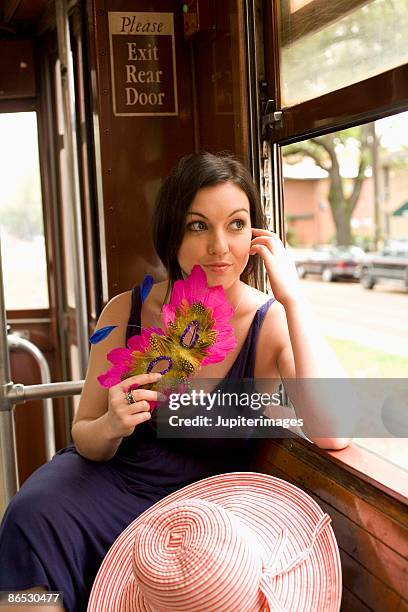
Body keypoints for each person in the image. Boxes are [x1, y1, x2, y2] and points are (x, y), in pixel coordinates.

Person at [0, 152, 350, 612]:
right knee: (30, 521)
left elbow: (334, 430)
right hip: (101, 484)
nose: (219, 247)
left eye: (237, 224)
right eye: (198, 226)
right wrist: (111, 423)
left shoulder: (269, 321)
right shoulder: (124, 312)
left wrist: (295, 298)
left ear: (257, 235)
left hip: (201, 518)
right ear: (172, 232)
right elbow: (84, 436)